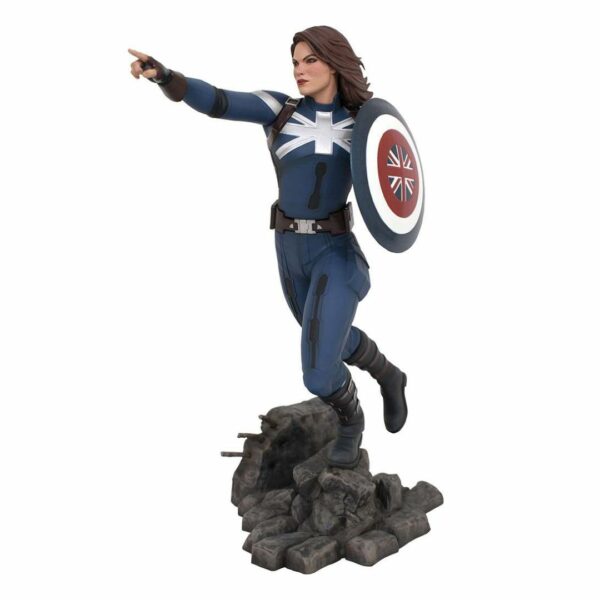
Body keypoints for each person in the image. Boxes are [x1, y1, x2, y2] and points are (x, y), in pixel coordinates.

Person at [128, 25, 407, 469]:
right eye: (295, 61)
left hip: (336, 253)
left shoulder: (364, 124)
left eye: (310, 60)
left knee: (318, 372)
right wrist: (166, 77)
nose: (299, 70)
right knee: (323, 337)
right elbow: (218, 100)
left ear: (334, 62)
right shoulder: (279, 110)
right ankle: (388, 372)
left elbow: (397, 175)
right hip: (289, 251)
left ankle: (351, 421)